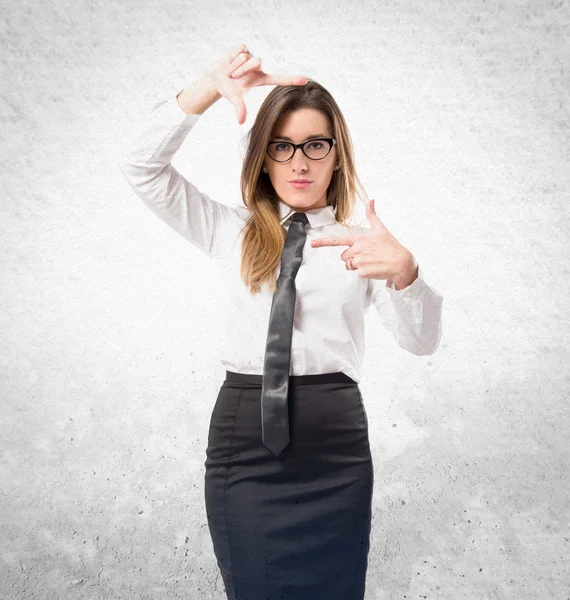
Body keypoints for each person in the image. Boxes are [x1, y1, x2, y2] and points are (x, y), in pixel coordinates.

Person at [118, 43, 443, 600]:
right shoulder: (228, 229)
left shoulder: (364, 245)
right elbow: (141, 169)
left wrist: (406, 274)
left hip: (334, 443)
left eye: (315, 145)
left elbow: (421, 341)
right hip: (245, 438)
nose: (299, 161)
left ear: (337, 154)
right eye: (282, 146)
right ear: (263, 157)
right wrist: (204, 87)